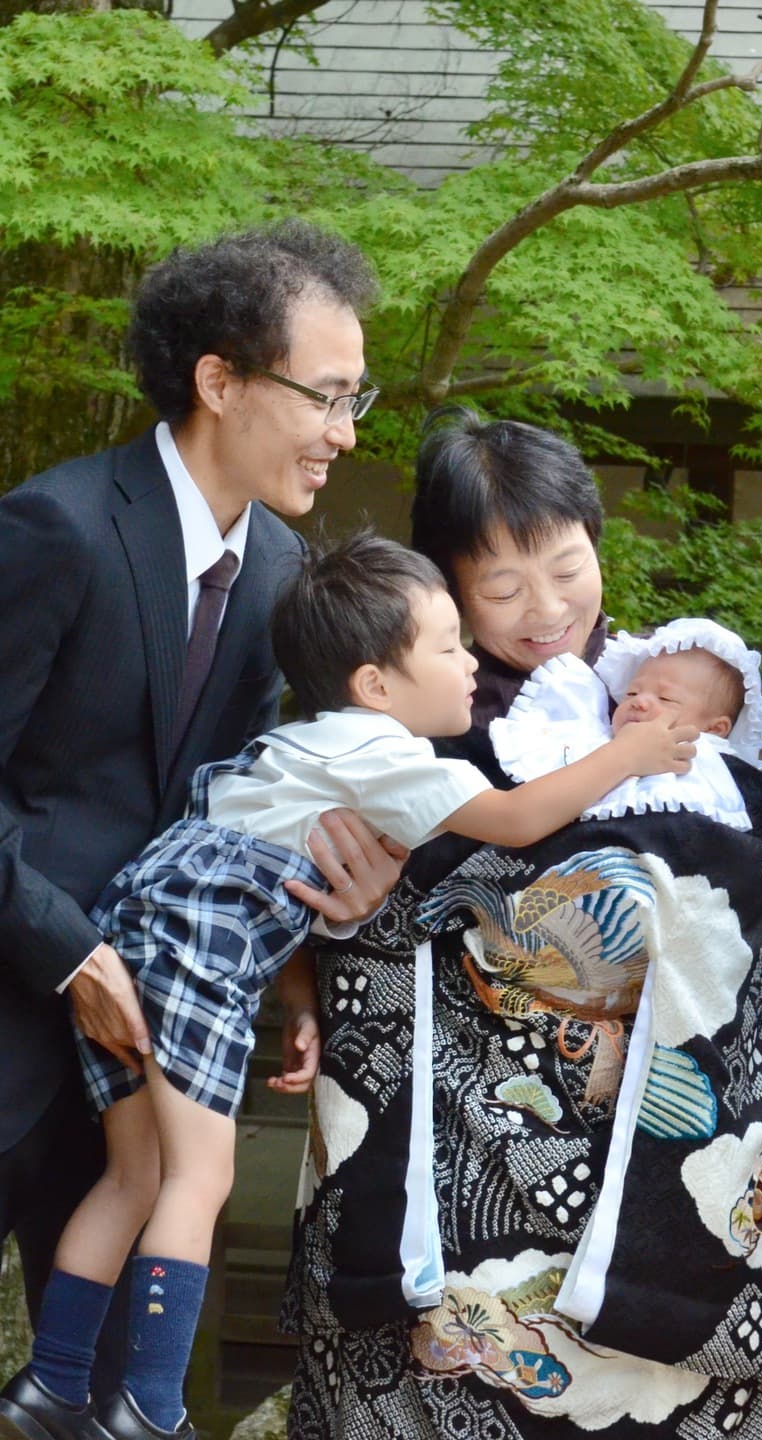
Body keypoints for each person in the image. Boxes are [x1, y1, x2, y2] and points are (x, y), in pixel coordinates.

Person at [2, 533, 696, 1440]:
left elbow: (268, 883)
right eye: (447, 646)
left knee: (135, 1174)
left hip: (137, 940)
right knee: (197, 1182)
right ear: (376, 683)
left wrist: (296, 997)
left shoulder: (296, 742)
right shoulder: (385, 754)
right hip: (199, 955)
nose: (466, 665)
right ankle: (149, 1407)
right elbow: (519, 819)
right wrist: (629, 753)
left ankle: (51, 1385)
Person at [283, 411, 762, 1439]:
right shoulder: (397, 738)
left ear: (598, 541)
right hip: (452, 1203)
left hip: (649, 1185)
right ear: (444, 585)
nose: (546, 611)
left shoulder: (658, 702)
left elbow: (747, 884)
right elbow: (336, 904)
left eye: (567, 567)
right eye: (500, 588)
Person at [0, 224, 407, 1440]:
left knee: (120, 1396)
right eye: (326, 396)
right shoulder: (57, 527)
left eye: (358, 397)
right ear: (219, 379)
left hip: (151, 1060)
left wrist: (293, 972)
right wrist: (69, 956)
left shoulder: (281, 570)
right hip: (19, 1007)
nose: (347, 431)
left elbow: (232, 813)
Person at [490, 617, 757, 831]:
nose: (639, 701)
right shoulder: (592, 738)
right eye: (632, 692)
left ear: (714, 729)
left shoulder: (710, 776)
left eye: (665, 697)